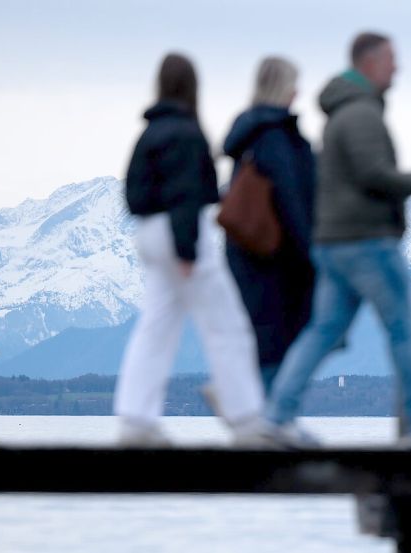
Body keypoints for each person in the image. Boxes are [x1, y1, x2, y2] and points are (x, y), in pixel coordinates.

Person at [261, 32, 411, 447]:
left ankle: (278, 416)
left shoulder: (344, 113)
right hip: (367, 241)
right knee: (403, 331)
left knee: (323, 330)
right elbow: (373, 174)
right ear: (368, 62)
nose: (397, 67)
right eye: (391, 58)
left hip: (334, 244)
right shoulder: (361, 115)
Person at [114, 52, 267, 447]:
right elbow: (184, 195)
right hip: (181, 233)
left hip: (149, 232)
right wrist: (186, 248)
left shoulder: (147, 134)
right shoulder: (188, 133)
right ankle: (246, 419)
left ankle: (135, 421)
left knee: (156, 326)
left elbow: (135, 194)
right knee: (226, 325)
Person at [223, 56, 317, 393]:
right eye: (294, 82)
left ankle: (265, 420)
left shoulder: (246, 133)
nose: (298, 91)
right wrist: (309, 249)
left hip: (245, 249)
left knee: (262, 342)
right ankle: (272, 423)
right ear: (283, 87)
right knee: (278, 345)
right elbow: (289, 196)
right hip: (278, 254)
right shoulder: (274, 135)